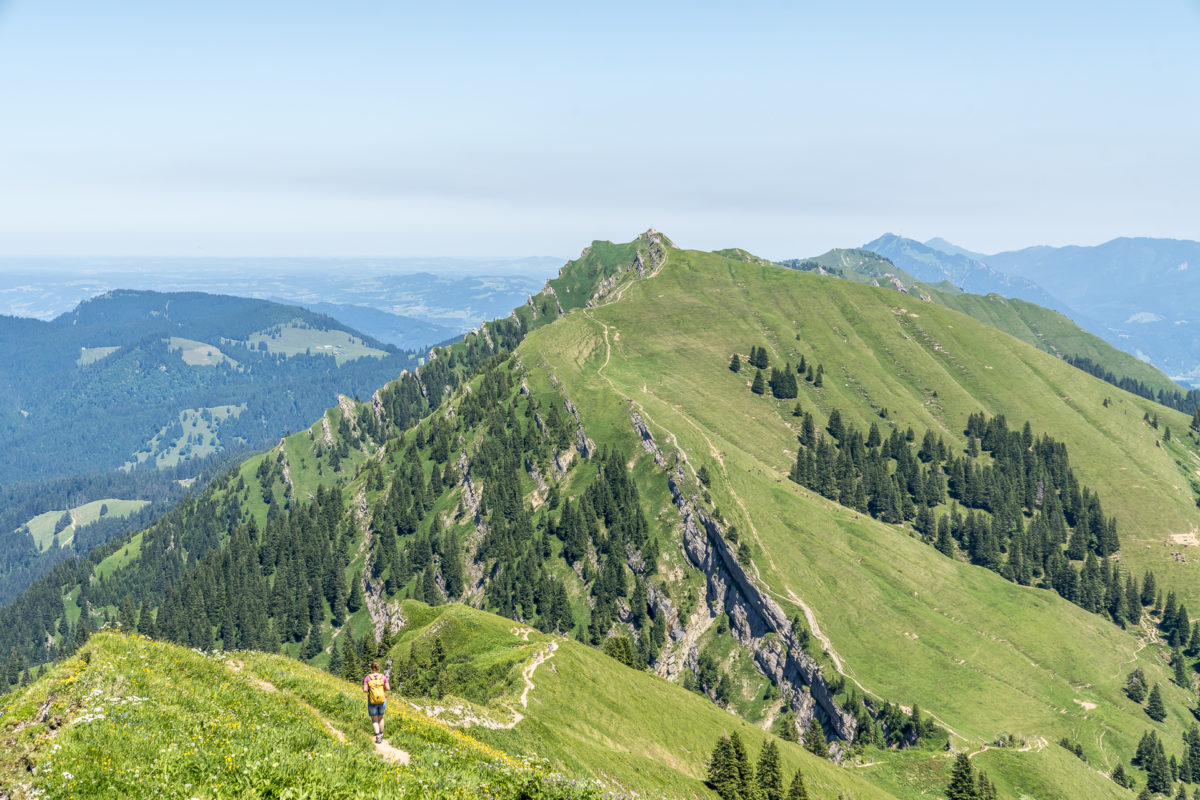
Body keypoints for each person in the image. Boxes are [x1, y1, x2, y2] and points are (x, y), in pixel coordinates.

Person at [363, 660, 390, 743]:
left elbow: (364, 690)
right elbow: (388, 688)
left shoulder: (368, 677)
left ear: (371, 668)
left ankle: (378, 736)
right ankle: (381, 734)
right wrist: (382, 689)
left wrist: (371, 691)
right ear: (378, 668)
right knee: (381, 718)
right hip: (382, 700)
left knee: (374, 720)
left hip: (372, 701)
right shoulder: (383, 677)